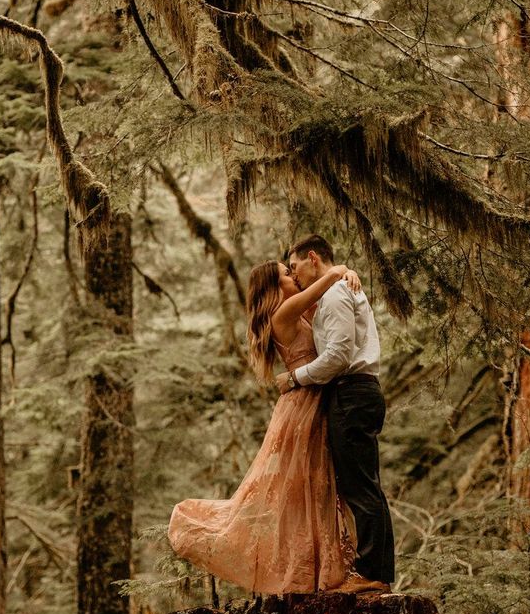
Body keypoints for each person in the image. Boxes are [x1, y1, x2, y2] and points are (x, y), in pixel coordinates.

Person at [167, 259, 360, 595]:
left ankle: (324, 571)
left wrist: (347, 272)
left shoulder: (296, 312)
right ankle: (305, 574)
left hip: (313, 399)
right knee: (302, 488)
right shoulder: (283, 314)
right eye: (287, 274)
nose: (294, 277)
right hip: (302, 406)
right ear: (274, 287)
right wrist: (340, 270)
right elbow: (326, 281)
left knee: (318, 486)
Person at [276, 234, 395, 594]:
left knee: (361, 488)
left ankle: (374, 574)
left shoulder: (336, 295)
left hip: (352, 392)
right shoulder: (335, 291)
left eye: (294, 267)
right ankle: (371, 570)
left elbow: (338, 357)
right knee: (359, 485)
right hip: (352, 393)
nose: (294, 276)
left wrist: (295, 377)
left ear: (312, 258)